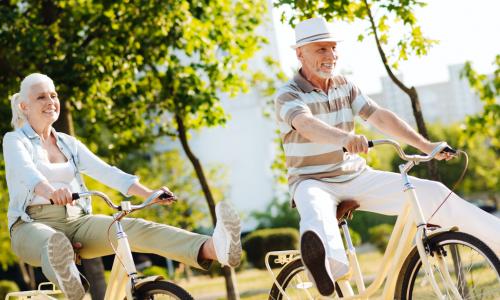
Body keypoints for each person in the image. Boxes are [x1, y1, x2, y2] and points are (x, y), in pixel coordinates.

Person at [274, 17, 500, 296]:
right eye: (321, 49)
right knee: (315, 210)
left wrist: (425, 145)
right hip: (311, 179)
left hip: (355, 175)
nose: (331, 55)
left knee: (432, 193)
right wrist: (344, 138)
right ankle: (326, 268)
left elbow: (379, 116)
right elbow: (306, 125)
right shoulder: (288, 94)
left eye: (333, 48)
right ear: (300, 53)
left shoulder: (345, 85)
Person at [3, 73, 242, 300]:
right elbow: (27, 173)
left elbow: (107, 172)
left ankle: (214, 247)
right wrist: (51, 191)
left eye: (54, 95)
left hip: (76, 220)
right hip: (31, 226)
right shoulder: (15, 140)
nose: (51, 101)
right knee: (53, 242)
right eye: (41, 97)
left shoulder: (68, 143)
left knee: (132, 228)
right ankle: (70, 279)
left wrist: (149, 193)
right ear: (24, 106)